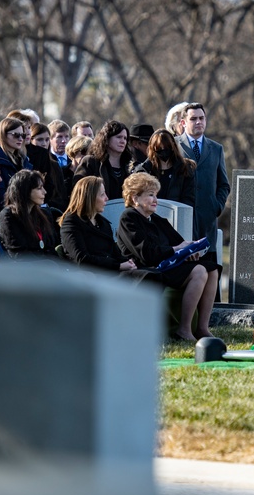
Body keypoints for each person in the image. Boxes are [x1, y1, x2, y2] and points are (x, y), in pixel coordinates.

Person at [116, 173, 217, 341]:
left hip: (167, 265)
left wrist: (191, 250)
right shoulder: (129, 218)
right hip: (147, 268)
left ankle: (202, 328)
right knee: (199, 271)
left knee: (212, 269)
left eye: (156, 194)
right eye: (150, 195)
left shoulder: (156, 219)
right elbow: (145, 253)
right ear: (135, 198)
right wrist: (177, 248)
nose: (156, 199)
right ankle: (184, 330)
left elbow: (179, 243)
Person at [59, 176, 146, 277]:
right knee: (146, 278)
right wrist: (118, 265)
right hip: (93, 278)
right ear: (90, 198)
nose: (106, 198)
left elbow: (114, 252)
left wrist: (128, 262)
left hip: (112, 272)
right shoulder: (71, 223)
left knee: (154, 274)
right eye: (102, 194)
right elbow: (81, 259)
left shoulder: (102, 223)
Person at [176, 103, 230, 264]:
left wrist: (216, 206)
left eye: (201, 118)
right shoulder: (174, 145)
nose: (198, 122)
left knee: (209, 272)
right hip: (181, 221)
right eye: (193, 119)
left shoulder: (216, 149)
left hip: (207, 223)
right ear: (183, 122)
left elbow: (224, 185)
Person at [0, 169, 59, 259]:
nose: (44, 192)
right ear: (25, 191)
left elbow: (50, 248)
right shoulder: (9, 215)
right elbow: (18, 253)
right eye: (39, 188)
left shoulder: (43, 214)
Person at [132, 129, 196, 207]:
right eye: (159, 148)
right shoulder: (143, 171)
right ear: (153, 149)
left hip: (176, 215)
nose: (163, 151)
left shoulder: (184, 169)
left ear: (172, 146)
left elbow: (188, 198)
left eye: (167, 147)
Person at [72, 119, 130, 200]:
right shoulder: (91, 162)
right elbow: (79, 190)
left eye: (125, 138)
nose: (123, 141)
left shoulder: (130, 165)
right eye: (119, 137)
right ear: (107, 138)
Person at [0, 117, 33, 209]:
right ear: (3, 135)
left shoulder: (24, 160)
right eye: (16, 135)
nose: (20, 139)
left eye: (22, 135)